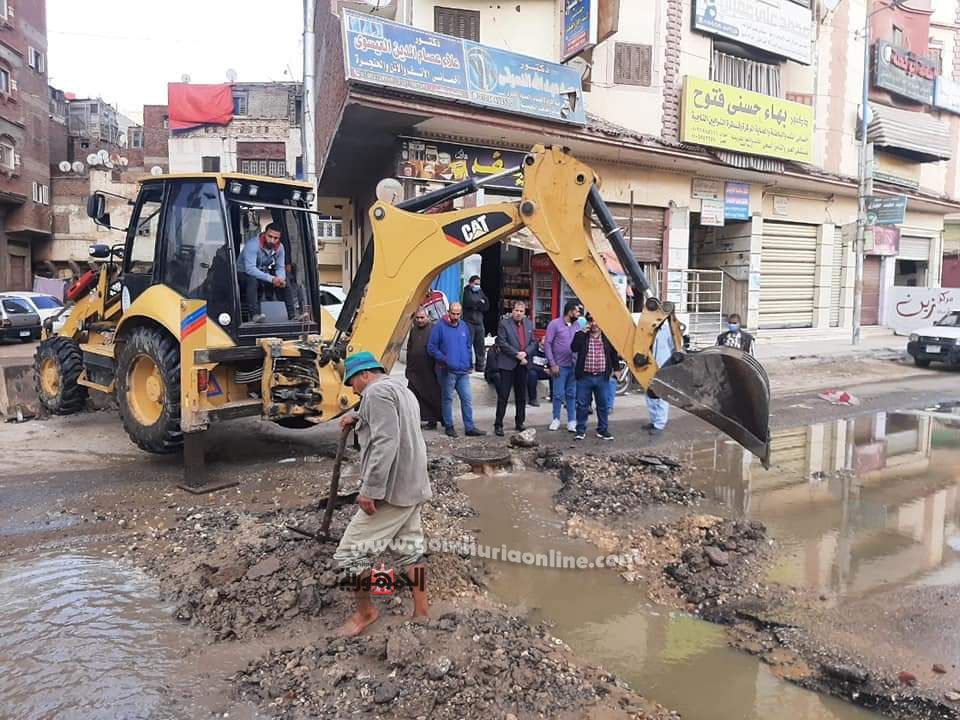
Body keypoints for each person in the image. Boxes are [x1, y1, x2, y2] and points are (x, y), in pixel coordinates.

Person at [333, 351, 432, 637]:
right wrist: (358, 416)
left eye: (352, 381)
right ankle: (422, 612)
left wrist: (370, 491)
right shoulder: (401, 389)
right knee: (410, 551)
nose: (352, 389)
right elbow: (388, 420)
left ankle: (366, 613)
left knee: (351, 554)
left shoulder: (375, 394)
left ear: (364, 374)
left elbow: (385, 443)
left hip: (391, 490)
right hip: (413, 486)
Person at [427, 302, 486, 438]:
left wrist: (470, 364)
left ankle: (469, 427)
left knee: (467, 399)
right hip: (447, 370)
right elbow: (431, 348)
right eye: (453, 313)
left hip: (463, 371)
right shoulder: (439, 327)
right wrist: (444, 359)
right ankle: (449, 426)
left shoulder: (464, 326)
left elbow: (467, 346)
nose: (455, 316)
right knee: (447, 398)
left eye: (458, 314)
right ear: (448, 312)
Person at [571, 313, 618, 441]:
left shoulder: (607, 337)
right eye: (591, 320)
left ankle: (602, 430)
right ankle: (580, 430)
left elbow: (614, 353)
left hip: (602, 377)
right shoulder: (582, 335)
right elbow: (573, 347)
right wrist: (582, 333)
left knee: (603, 405)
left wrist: (617, 369)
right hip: (585, 376)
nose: (594, 323)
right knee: (582, 405)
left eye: (597, 320)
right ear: (588, 322)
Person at [493, 301, 537, 436]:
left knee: (521, 396)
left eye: (521, 311)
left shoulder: (529, 324)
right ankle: (498, 424)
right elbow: (501, 342)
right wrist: (517, 354)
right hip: (508, 364)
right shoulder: (504, 323)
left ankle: (520, 422)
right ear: (512, 311)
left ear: (525, 313)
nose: (518, 313)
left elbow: (533, 342)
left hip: (523, 364)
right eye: (516, 311)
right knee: (503, 396)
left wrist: (526, 353)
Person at [238, 222, 296, 322]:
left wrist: (280, 279)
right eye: (270, 236)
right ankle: (255, 315)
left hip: (261, 274)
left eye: (276, 238)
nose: (272, 240)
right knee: (252, 280)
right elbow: (250, 269)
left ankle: (293, 315)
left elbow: (280, 267)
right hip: (243, 275)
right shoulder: (253, 245)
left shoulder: (280, 248)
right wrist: (272, 278)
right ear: (264, 234)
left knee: (285, 279)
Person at [544, 300, 581, 432]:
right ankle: (556, 419)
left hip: (573, 365)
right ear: (570, 311)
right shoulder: (554, 324)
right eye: (577, 311)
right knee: (558, 394)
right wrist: (552, 363)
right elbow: (547, 344)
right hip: (559, 366)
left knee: (572, 394)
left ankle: (572, 420)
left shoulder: (577, 325)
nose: (578, 313)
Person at [405, 308, 443, 430]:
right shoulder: (414, 330)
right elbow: (409, 348)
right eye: (417, 318)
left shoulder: (434, 329)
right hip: (414, 370)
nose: (420, 320)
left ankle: (433, 420)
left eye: (422, 318)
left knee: (430, 395)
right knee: (413, 395)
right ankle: (416, 419)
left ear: (428, 317)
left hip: (429, 369)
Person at [646, 321, 677, 436]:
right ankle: (653, 420)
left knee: (662, 395)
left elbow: (674, 347)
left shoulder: (668, 330)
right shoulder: (648, 329)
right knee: (649, 393)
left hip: (664, 364)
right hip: (649, 365)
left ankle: (660, 424)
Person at [461, 275, 489, 372]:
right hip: (469, 322)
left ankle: (480, 366)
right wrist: (479, 303)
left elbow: (486, 305)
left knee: (480, 346)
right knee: (468, 345)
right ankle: (468, 366)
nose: (477, 286)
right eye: (476, 283)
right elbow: (469, 303)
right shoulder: (466, 291)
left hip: (479, 322)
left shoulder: (480, 292)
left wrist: (479, 304)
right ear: (471, 283)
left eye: (478, 284)